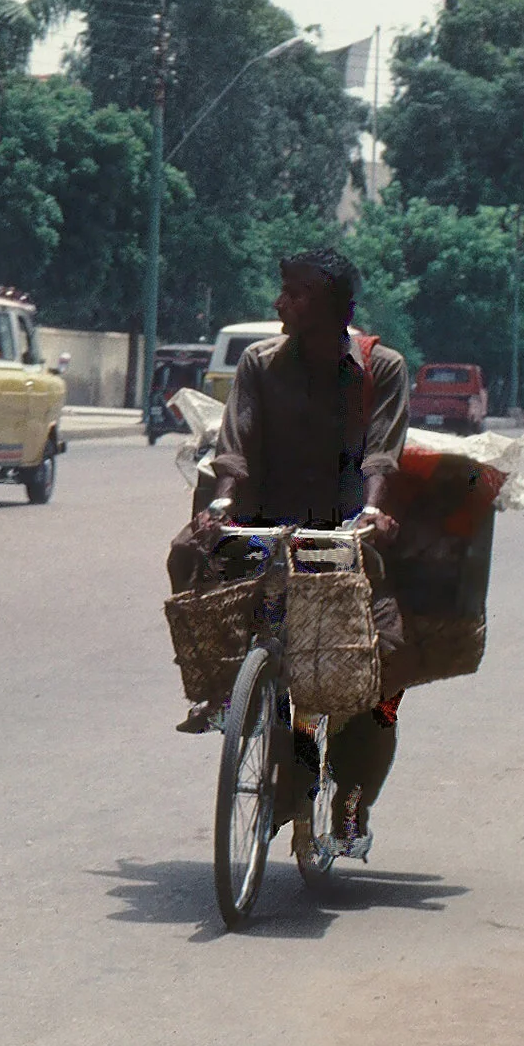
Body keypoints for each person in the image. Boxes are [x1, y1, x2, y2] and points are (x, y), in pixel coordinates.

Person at [191, 247, 409, 853]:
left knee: (382, 668)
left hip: (344, 531)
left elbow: (382, 452)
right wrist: (221, 505)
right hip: (270, 524)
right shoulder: (260, 363)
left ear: (338, 307)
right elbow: (235, 440)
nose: (279, 302)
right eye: (282, 289)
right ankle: (224, 691)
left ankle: (351, 800)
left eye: (297, 293)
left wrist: (371, 512)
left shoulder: (381, 367)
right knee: (189, 553)